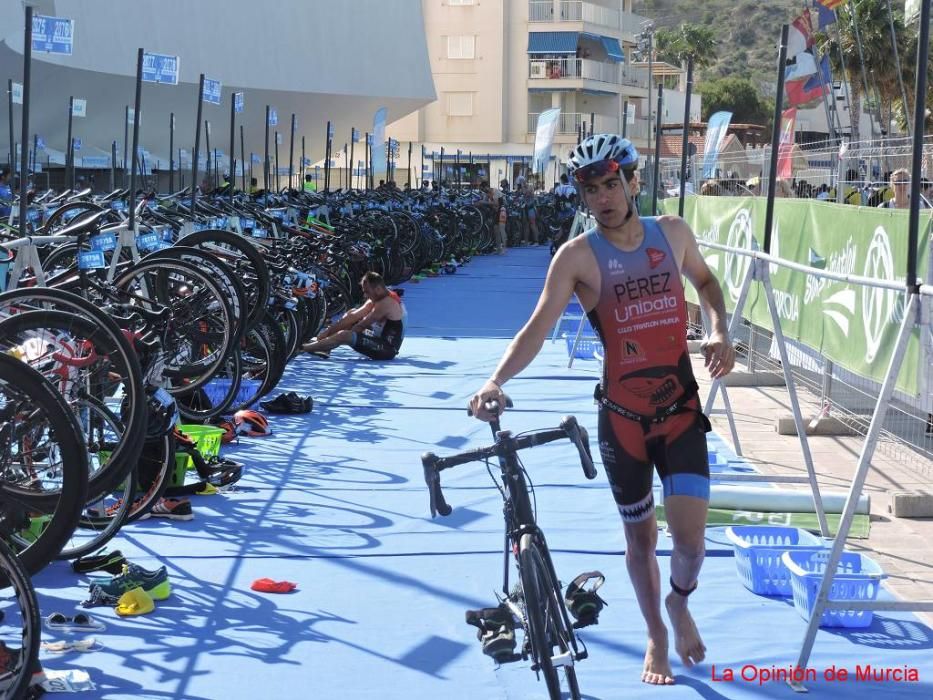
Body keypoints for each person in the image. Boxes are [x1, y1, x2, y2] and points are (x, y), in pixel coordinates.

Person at [469, 134, 735, 686]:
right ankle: (656, 635)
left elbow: (706, 282)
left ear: (633, 182)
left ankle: (679, 604)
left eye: (612, 184)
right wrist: (495, 378)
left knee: (689, 542)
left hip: (681, 411)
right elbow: (538, 327)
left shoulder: (673, 233)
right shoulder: (578, 257)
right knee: (641, 541)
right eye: (592, 190)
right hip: (622, 420)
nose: (604, 198)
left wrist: (718, 330)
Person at [301, 272, 406, 360]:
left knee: (345, 335)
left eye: (367, 292)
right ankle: (323, 347)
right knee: (351, 313)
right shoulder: (379, 295)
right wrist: (324, 336)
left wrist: (334, 339)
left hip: (386, 349)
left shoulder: (386, 303)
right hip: (377, 336)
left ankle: (303, 348)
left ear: (378, 289)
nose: (365, 296)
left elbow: (360, 327)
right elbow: (353, 316)